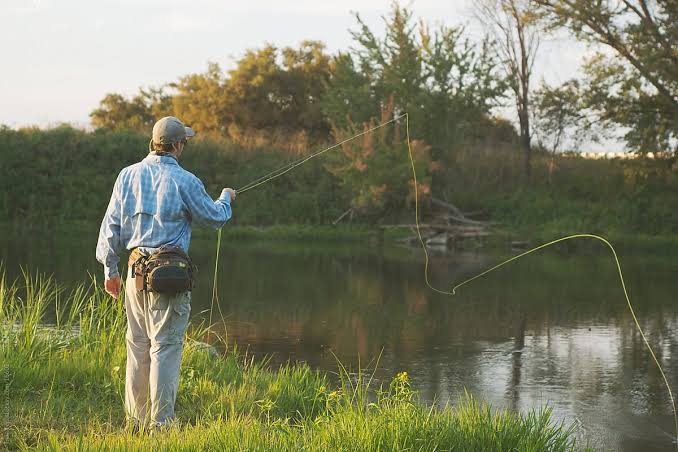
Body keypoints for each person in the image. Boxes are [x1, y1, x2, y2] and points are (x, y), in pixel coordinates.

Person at [95, 116, 235, 431]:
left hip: (133, 273)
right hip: (168, 278)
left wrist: (110, 270)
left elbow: (111, 228)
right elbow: (215, 218)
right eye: (183, 141)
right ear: (177, 145)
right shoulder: (185, 180)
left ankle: (135, 422)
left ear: (154, 142)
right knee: (166, 348)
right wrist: (226, 197)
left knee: (138, 346)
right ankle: (161, 426)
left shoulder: (127, 175)